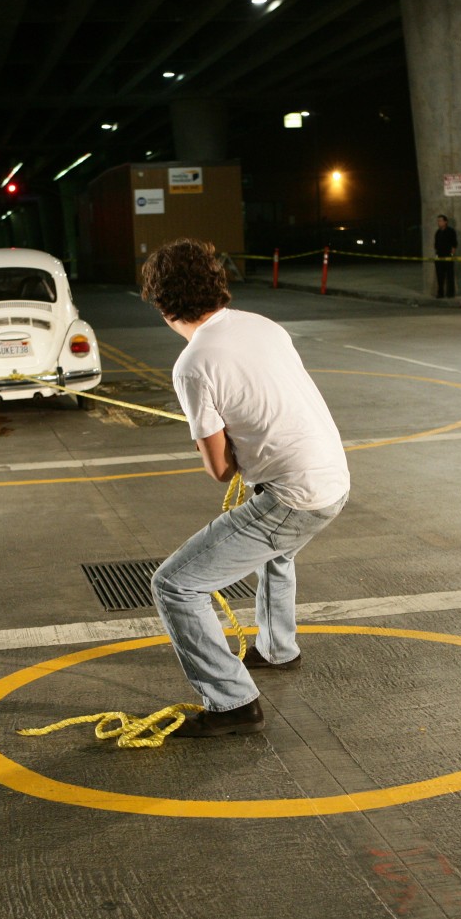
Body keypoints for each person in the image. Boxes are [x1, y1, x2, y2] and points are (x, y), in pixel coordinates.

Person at [142, 238, 350, 737]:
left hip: (294, 497)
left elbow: (220, 470)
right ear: (217, 283)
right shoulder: (263, 326)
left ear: (163, 305)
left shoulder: (192, 365)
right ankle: (278, 649)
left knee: (175, 585)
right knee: (276, 550)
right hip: (333, 479)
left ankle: (232, 702)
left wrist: (219, 436)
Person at [432, 214, 457, 298]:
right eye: (438, 221)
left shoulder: (450, 231)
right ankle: (440, 293)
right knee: (440, 276)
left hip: (448, 256)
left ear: (445, 222)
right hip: (439, 256)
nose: (439, 222)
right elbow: (436, 245)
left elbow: (454, 245)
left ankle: (450, 293)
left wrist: (451, 255)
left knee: (450, 276)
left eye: (440, 221)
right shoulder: (438, 232)